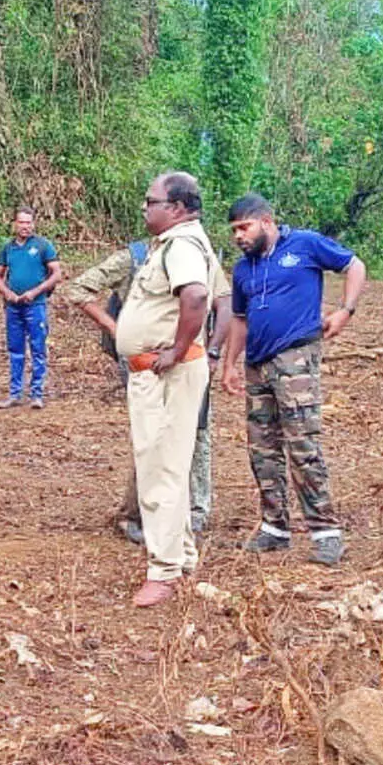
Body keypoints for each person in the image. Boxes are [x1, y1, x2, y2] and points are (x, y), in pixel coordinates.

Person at [222, 193, 366, 566]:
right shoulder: (243, 270)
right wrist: (229, 365)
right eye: (234, 230)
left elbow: (354, 265)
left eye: (244, 227)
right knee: (262, 450)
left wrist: (345, 311)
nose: (239, 236)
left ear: (266, 221)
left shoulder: (305, 244)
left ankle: (326, 532)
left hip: (296, 358)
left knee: (303, 445)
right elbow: (239, 319)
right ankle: (275, 528)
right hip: (257, 364)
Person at [61, 240, 231, 542]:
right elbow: (78, 289)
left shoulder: (199, 253)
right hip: (147, 362)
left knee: (197, 431)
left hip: (190, 357)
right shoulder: (135, 257)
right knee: (154, 437)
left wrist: (213, 351)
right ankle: (136, 514)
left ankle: (194, 512)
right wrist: (117, 330)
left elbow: (223, 300)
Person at [114, 172, 227, 608]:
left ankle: (163, 571)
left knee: (159, 468)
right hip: (164, 372)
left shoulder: (181, 245)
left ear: (176, 207)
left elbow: (198, 297)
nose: (146, 208)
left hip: (166, 375)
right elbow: (224, 297)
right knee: (170, 467)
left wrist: (178, 350)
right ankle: (181, 557)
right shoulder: (188, 242)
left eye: (151, 201)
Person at [0, 206, 62, 409]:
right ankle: (15, 394)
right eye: (21, 222)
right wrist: (7, 293)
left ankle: (37, 394)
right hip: (14, 306)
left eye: (28, 222)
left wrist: (35, 292)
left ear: (34, 223)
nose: (25, 226)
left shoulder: (43, 246)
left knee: (38, 349)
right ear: (15, 224)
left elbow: (56, 274)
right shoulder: (8, 248)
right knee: (15, 349)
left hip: (36, 306)